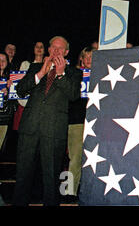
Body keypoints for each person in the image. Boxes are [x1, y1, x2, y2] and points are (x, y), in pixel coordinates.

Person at [12, 36, 82, 206]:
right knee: (22, 176)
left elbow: (73, 95)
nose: (56, 51)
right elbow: (20, 90)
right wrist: (41, 73)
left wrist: (60, 74)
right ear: (49, 49)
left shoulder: (74, 72)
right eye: (53, 48)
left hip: (53, 131)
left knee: (51, 178)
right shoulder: (35, 68)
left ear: (66, 52)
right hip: (29, 128)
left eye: (60, 49)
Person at [66, 46, 95, 200]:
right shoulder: (74, 75)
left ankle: (90, 191)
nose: (89, 59)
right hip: (77, 122)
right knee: (76, 158)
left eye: (92, 56)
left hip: (96, 122)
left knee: (94, 158)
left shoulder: (104, 74)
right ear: (81, 59)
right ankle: (70, 191)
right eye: (86, 57)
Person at [13, 41, 45, 132]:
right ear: (33, 49)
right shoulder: (25, 64)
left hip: (41, 108)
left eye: (41, 47)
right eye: (37, 46)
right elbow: (20, 84)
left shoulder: (49, 65)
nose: (39, 49)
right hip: (25, 105)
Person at [0, 53, 15, 153]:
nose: (1, 63)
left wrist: (10, 90)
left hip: (4, 117)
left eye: (3, 60)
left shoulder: (12, 77)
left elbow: (16, 100)